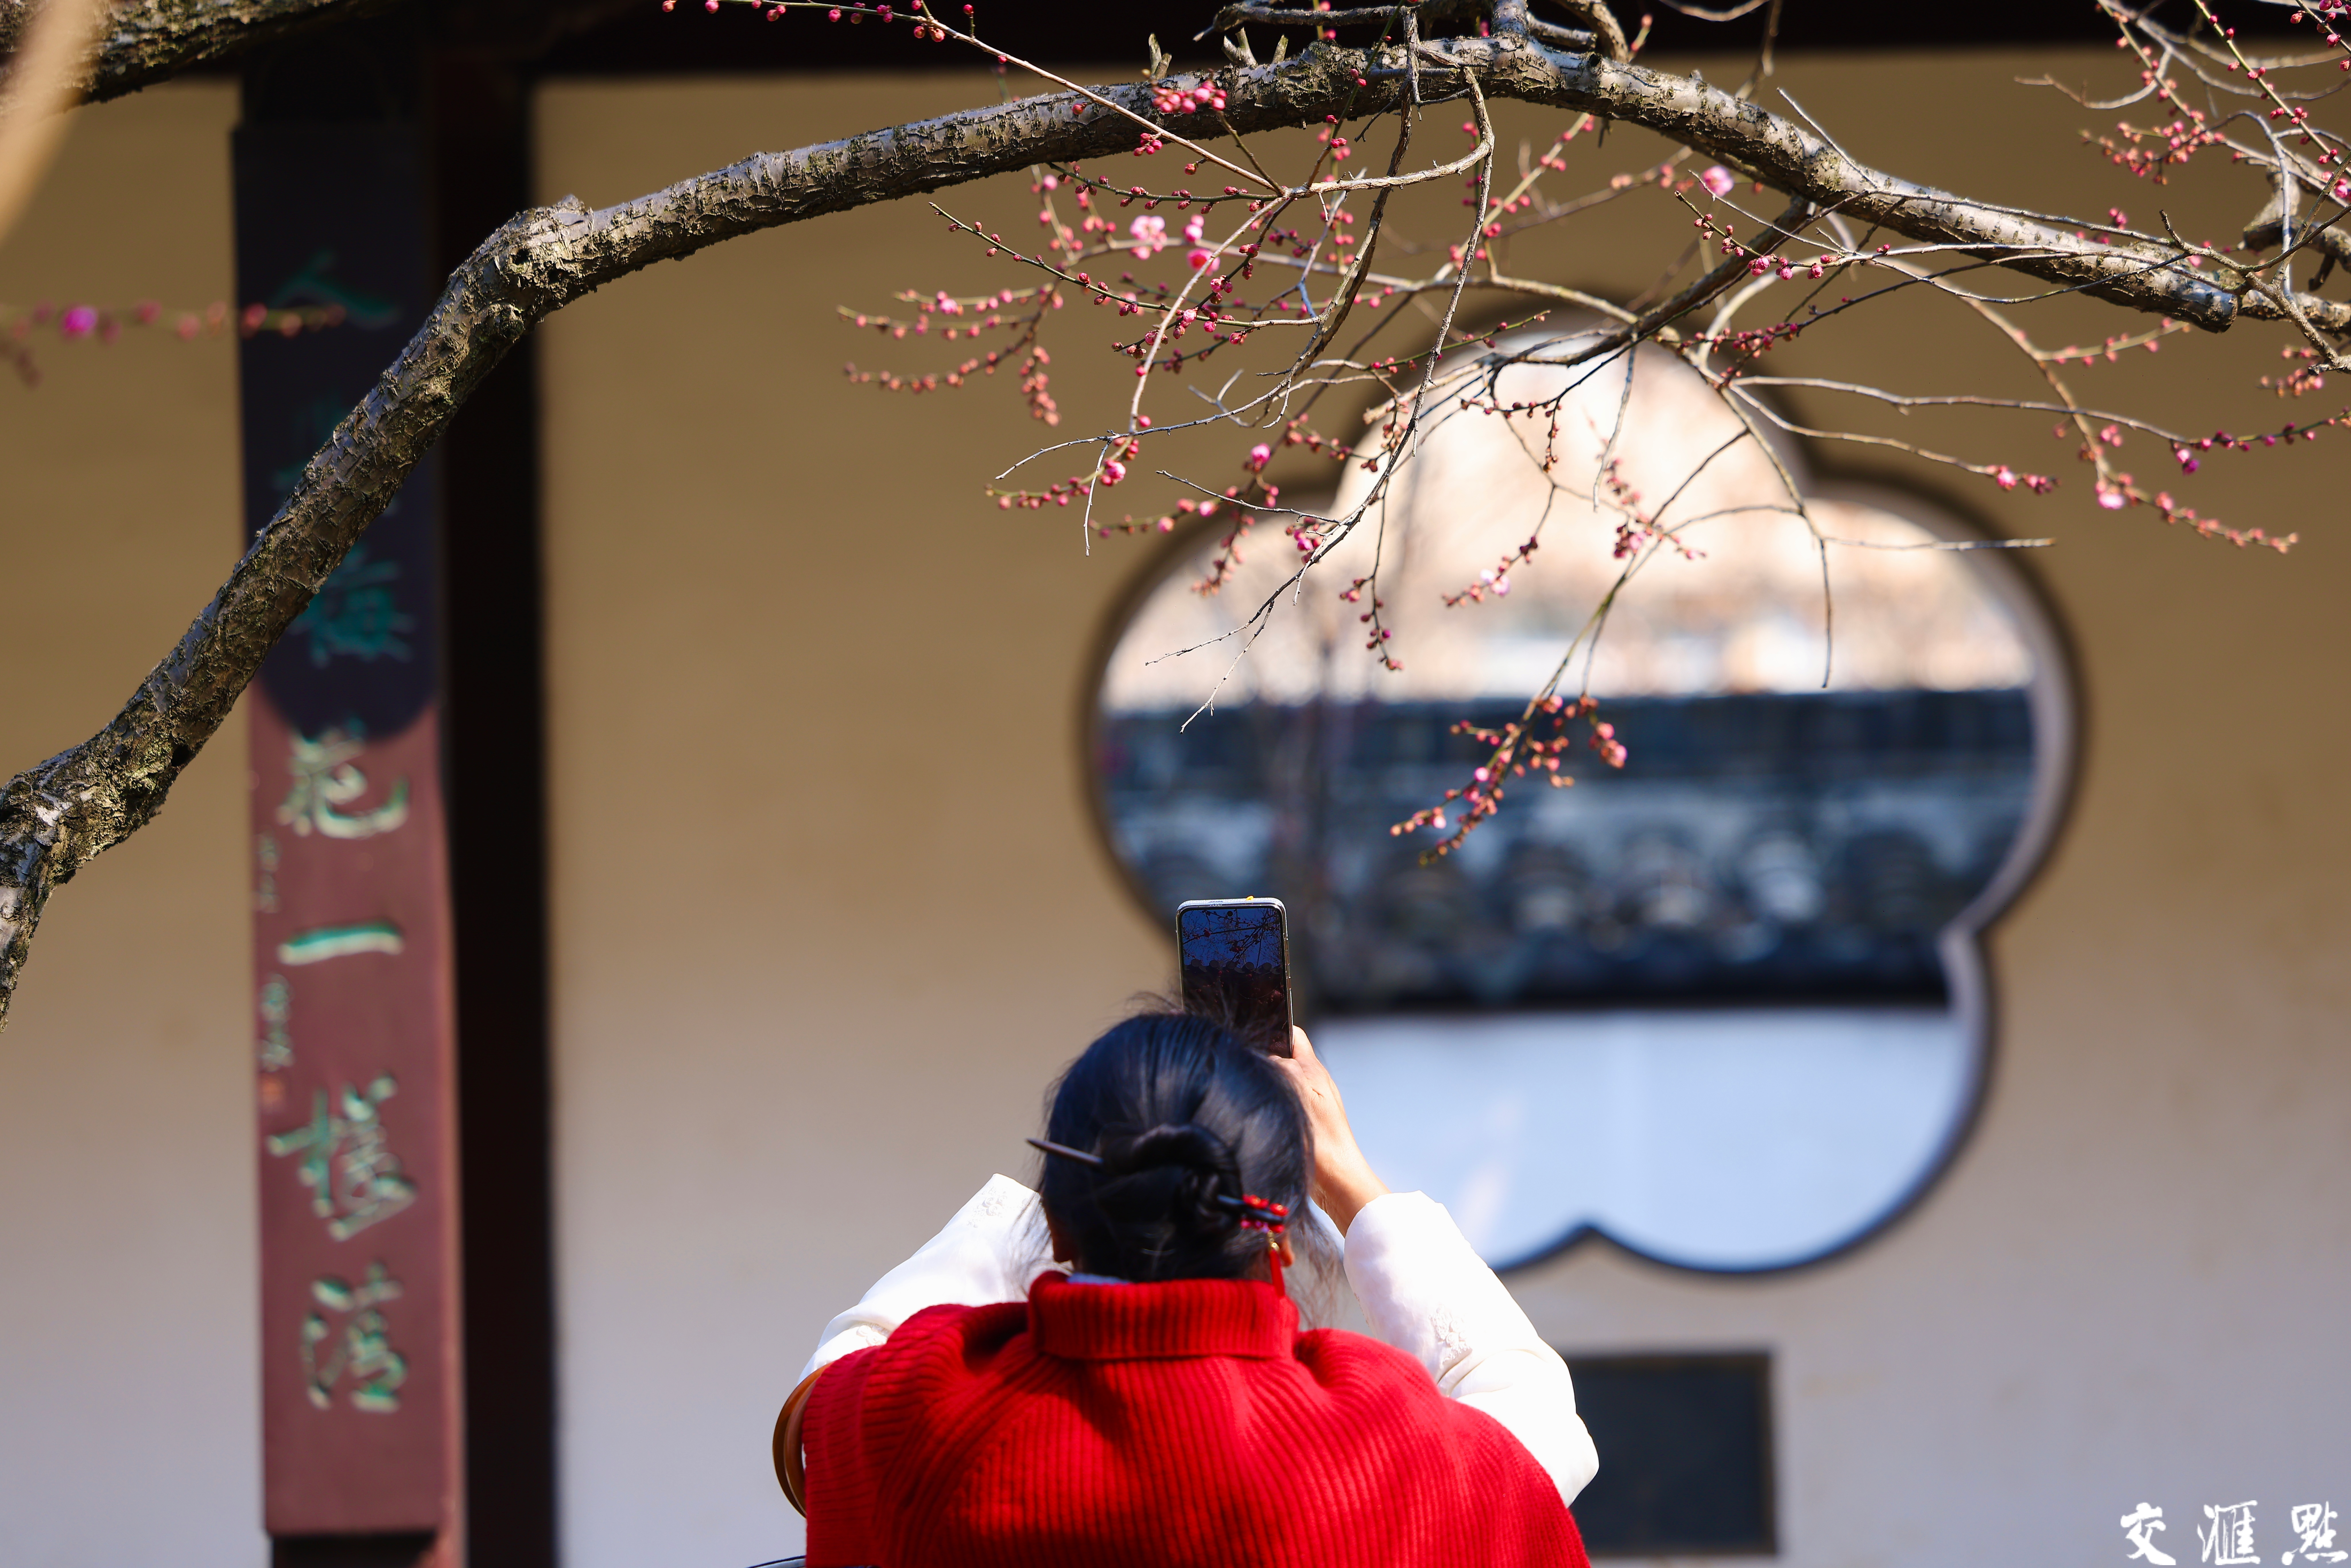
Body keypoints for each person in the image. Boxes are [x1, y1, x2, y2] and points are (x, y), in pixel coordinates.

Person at [775, 1011, 1599, 1567]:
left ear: (1060, 1225)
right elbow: (1533, 1422)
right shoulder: (1396, 1453)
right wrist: (1350, 1179)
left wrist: (1031, 1202)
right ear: (1273, 1233)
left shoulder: (919, 1421)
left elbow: (839, 1376)